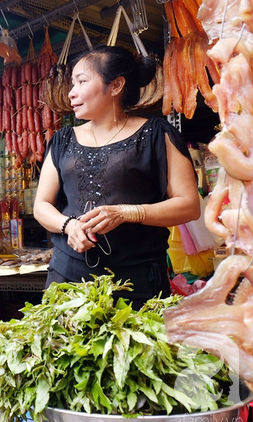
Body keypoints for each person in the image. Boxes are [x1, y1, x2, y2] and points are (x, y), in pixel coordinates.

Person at [33, 45, 200, 309]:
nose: (71, 92)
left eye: (82, 82)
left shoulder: (157, 134)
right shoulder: (62, 140)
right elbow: (41, 205)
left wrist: (126, 212)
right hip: (68, 281)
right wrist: (69, 226)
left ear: (116, 86)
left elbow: (189, 205)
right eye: (72, 83)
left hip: (137, 283)